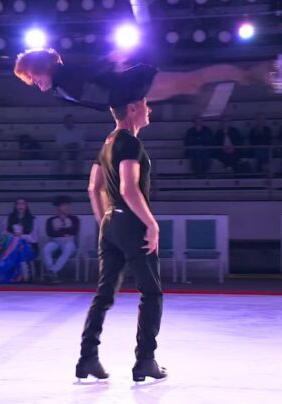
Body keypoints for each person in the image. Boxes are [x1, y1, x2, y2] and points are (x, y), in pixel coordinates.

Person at [77, 97, 166, 383]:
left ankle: (87, 358)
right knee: (151, 293)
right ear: (131, 109)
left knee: (104, 294)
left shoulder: (107, 143)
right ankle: (145, 361)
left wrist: (106, 220)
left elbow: (94, 187)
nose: (149, 109)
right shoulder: (129, 142)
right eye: (145, 105)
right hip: (131, 223)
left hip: (111, 223)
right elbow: (128, 189)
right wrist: (151, 224)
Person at [14, 48, 282, 112]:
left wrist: (111, 61)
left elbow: (90, 72)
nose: (33, 82)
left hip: (136, 84)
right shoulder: (60, 89)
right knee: (194, 86)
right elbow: (97, 97)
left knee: (195, 80)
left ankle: (263, 71)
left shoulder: (64, 75)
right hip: (133, 93)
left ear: (42, 67)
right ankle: (255, 76)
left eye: (32, 76)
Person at [42, 196, 80, 284]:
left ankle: (52, 271)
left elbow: (74, 231)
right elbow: (50, 233)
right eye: (64, 205)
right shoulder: (51, 220)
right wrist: (65, 231)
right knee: (46, 248)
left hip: (69, 241)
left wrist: (59, 230)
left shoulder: (74, 219)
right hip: (55, 241)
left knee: (69, 247)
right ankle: (53, 273)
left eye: (68, 205)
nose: (67, 207)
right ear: (58, 207)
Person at [5, 198, 39, 280]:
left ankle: (24, 274)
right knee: (13, 245)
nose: (20, 206)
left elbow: (34, 239)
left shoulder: (33, 219)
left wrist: (21, 236)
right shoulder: (9, 218)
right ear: (15, 206)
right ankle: (15, 275)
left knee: (20, 245)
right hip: (12, 245)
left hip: (29, 246)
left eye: (23, 203)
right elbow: (4, 234)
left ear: (26, 206)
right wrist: (14, 235)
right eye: (18, 204)